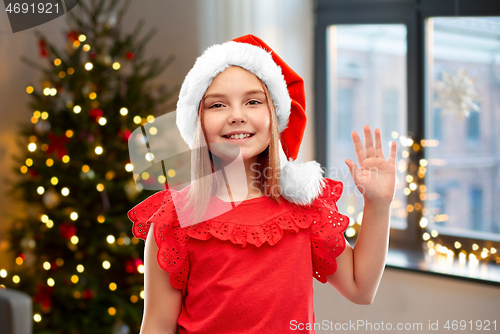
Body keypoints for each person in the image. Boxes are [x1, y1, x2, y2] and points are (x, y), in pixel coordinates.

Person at [127, 34, 397, 334]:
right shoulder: (175, 219)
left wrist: (379, 203)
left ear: (274, 116)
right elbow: (156, 326)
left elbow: (361, 288)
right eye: (218, 105)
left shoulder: (305, 207)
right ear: (198, 121)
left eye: (253, 101)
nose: (237, 116)